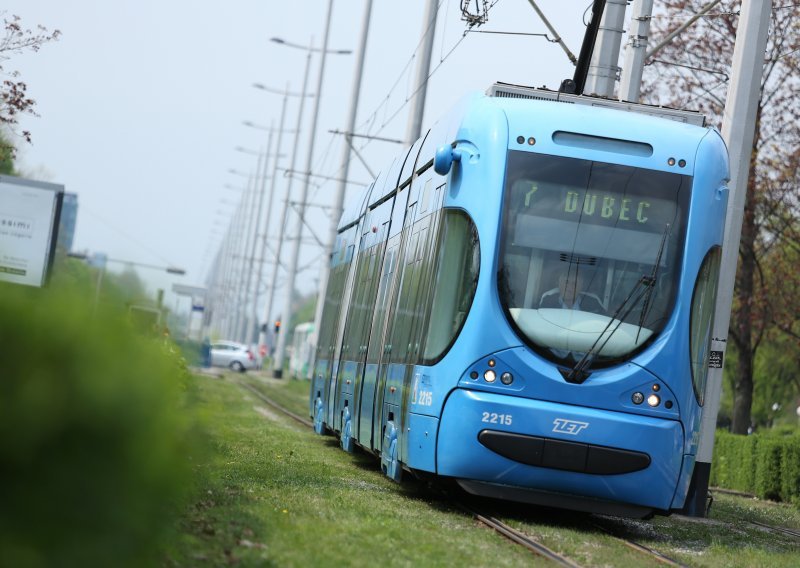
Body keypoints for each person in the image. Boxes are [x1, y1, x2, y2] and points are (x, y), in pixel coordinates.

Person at [539, 269, 605, 314]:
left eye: (575, 283)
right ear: (559, 284)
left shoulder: (593, 303)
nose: (570, 287)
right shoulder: (547, 301)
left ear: (580, 287)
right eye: (566, 282)